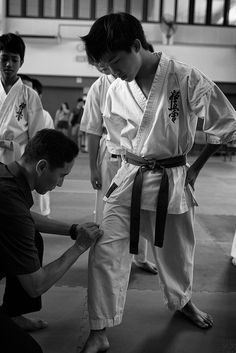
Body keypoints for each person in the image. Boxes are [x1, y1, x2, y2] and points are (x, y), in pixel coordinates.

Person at [80, 12, 236, 352]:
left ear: (136, 46)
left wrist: (195, 168)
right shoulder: (115, 87)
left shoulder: (184, 77)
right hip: (129, 178)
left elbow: (226, 122)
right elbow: (114, 135)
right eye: (106, 66)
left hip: (172, 177)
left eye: (116, 62)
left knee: (178, 254)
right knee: (105, 250)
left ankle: (182, 302)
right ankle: (99, 328)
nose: (113, 72)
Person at [0, 128, 103, 353]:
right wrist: (80, 246)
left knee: (32, 238)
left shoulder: (6, 174)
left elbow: (25, 219)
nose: (60, 184)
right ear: (42, 166)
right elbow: (36, 285)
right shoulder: (10, 200)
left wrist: (73, 229)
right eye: (62, 175)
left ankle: (12, 315)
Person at [80, 63, 157, 274]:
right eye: (98, 61)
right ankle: (105, 258)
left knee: (140, 207)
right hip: (111, 157)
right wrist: (93, 169)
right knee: (107, 210)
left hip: (139, 158)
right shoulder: (99, 87)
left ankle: (140, 258)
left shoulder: (137, 80)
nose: (103, 66)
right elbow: (92, 130)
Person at [0, 33, 50, 165]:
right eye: (4, 58)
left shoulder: (30, 96)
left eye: (14, 60)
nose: (8, 64)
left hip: (17, 160)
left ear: (21, 62)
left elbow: (36, 136)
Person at [31, 77, 54, 217]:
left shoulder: (45, 116)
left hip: (39, 166)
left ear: (39, 95)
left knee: (40, 206)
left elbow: (51, 145)